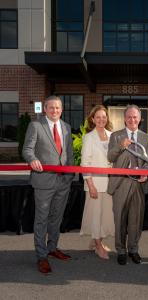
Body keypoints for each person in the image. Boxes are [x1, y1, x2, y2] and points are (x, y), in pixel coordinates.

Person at [22, 95, 75, 274]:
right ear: (45, 109)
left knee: (56, 218)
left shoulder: (66, 127)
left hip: (63, 181)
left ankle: (52, 248)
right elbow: (27, 149)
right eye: (51, 107)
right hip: (43, 180)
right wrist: (33, 159)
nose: (55, 111)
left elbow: (69, 153)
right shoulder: (36, 126)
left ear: (62, 109)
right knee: (42, 219)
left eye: (58, 108)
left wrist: (70, 175)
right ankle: (41, 256)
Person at [107, 104, 148, 265]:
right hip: (121, 183)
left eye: (135, 117)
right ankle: (120, 250)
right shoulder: (116, 136)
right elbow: (110, 157)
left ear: (140, 119)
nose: (132, 119)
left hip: (138, 185)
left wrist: (145, 173)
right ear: (124, 119)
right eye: (129, 117)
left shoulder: (146, 137)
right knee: (119, 218)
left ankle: (133, 249)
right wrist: (121, 146)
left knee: (136, 219)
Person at [80, 105, 114, 259]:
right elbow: (85, 163)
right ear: (92, 119)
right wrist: (90, 185)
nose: (101, 119)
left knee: (105, 215)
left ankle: (96, 241)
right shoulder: (88, 137)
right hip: (94, 183)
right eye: (98, 117)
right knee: (95, 215)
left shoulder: (112, 135)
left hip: (109, 184)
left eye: (104, 117)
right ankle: (98, 246)